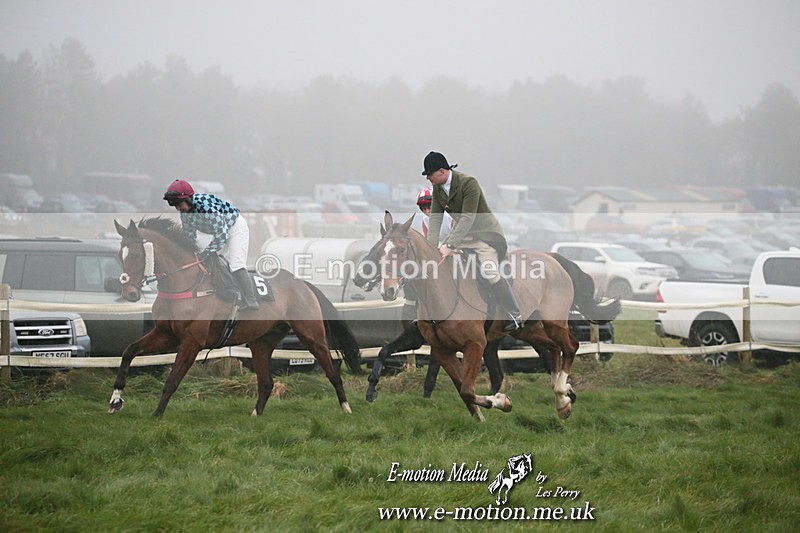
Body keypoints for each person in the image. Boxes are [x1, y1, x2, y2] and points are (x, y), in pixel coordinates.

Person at [422, 151, 523, 332]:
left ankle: (514, 314)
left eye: (430, 174)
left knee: (490, 273)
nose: (428, 177)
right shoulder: (438, 189)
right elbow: (436, 218)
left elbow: (468, 217)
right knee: (444, 268)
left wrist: (449, 245)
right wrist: (431, 247)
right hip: (463, 236)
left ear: (442, 171)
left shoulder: (469, 183)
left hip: (484, 236)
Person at [162, 179, 260, 311]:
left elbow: (222, 233)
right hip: (213, 231)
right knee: (210, 261)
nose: (178, 208)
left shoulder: (206, 207)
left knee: (235, 265)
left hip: (234, 227)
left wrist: (206, 252)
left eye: (179, 204)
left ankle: (251, 300)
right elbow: (189, 237)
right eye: (174, 205)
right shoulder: (184, 214)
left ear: (189, 199)